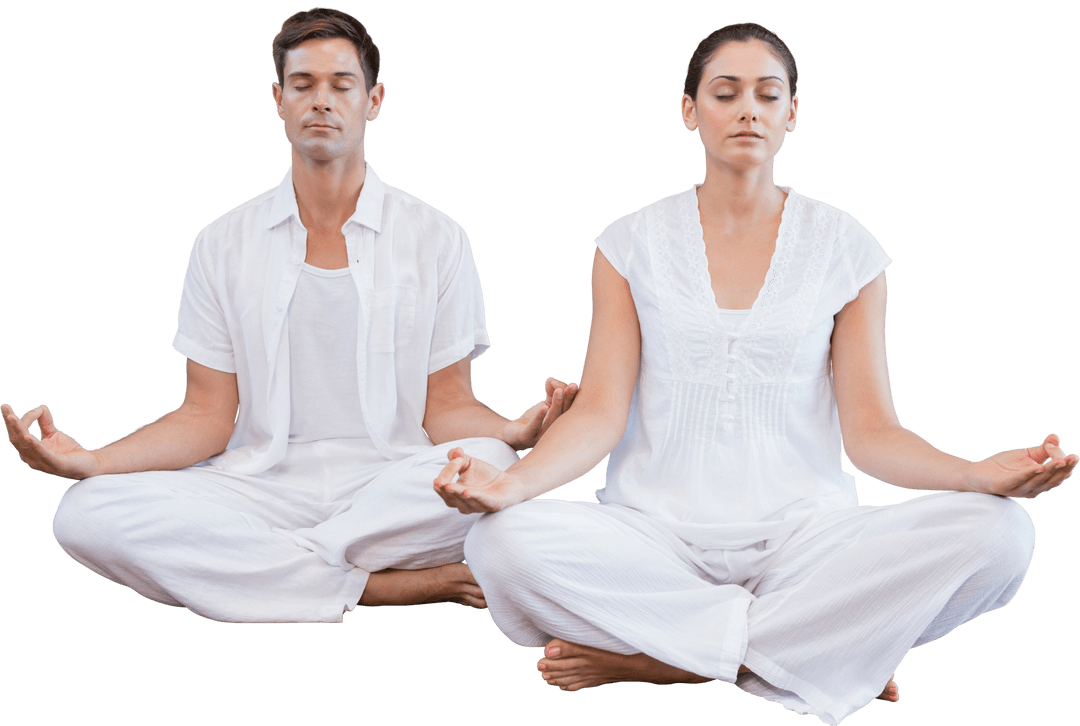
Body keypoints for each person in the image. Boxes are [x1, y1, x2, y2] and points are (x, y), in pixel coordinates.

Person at [433, 21, 1076, 724]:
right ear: (689, 111)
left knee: (1002, 537)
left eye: (769, 95)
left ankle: (667, 662)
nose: (748, 110)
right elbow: (599, 413)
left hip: (806, 543)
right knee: (499, 544)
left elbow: (872, 434)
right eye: (725, 93)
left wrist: (974, 475)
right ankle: (811, 652)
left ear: (791, 115)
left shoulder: (846, 250)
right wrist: (510, 485)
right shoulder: (630, 243)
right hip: (655, 538)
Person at [0, 7, 577, 624]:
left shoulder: (437, 238)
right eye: (303, 85)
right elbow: (206, 416)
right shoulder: (222, 242)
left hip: (392, 484)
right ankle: (383, 585)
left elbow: (447, 404)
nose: (321, 101)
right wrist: (94, 462)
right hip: (256, 488)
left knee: (499, 467)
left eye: (341, 84)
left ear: (374, 100)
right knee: (85, 514)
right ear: (278, 99)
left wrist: (510, 434)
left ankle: (269, 573)